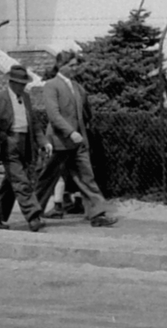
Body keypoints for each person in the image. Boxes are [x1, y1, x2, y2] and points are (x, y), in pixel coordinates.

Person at [33, 50, 117, 228]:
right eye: (71, 65)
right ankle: (33, 213)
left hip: (78, 143)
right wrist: (71, 132)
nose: (75, 68)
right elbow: (54, 115)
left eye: (75, 65)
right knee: (47, 178)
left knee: (87, 178)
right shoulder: (51, 85)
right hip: (58, 141)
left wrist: (82, 132)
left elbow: (87, 112)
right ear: (60, 66)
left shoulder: (77, 87)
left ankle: (97, 214)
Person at [0, 64, 44, 232]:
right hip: (9, 142)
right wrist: (6, 139)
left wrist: (43, 142)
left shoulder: (25, 97)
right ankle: (33, 216)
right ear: (11, 82)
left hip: (25, 142)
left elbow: (34, 123)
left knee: (12, 182)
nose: (22, 86)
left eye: (24, 83)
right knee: (20, 180)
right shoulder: (0, 98)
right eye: (20, 82)